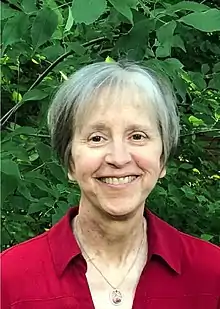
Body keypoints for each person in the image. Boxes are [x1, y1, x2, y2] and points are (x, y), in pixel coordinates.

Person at [1, 61, 220, 309]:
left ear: (162, 158)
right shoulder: (9, 280)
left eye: (137, 136)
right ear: (70, 161)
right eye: (97, 138)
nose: (118, 158)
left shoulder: (212, 275)